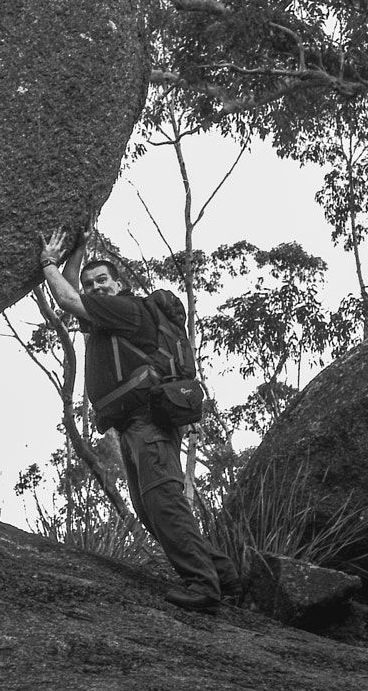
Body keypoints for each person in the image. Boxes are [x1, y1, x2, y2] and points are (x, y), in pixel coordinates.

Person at [38, 224, 240, 614]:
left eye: (103, 281)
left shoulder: (127, 310)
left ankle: (203, 584)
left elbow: (66, 298)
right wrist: (77, 250)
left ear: (120, 284)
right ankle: (223, 575)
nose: (96, 288)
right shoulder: (112, 316)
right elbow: (73, 289)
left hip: (148, 422)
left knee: (162, 500)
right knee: (149, 509)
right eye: (91, 283)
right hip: (134, 424)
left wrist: (48, 261)